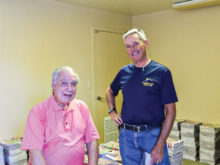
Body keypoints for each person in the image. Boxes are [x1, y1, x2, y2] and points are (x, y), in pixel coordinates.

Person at [106, 28, 178, 165]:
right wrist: (112, 111)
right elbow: (109, 91)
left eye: (136, 43)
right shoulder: (123, 72)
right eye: (128, 46)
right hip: (126, 135)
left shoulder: (161, 72)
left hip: (152, 135)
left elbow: (171, 111)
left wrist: (161, 143)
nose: (132, 48)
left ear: (146, 43)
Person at [22, 66, 100, 165]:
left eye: (73, 84)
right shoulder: (38, 112)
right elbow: (35, 154)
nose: (69, 88)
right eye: (64, 83)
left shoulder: (82, 107)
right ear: (53, 85)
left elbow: (92, 140)